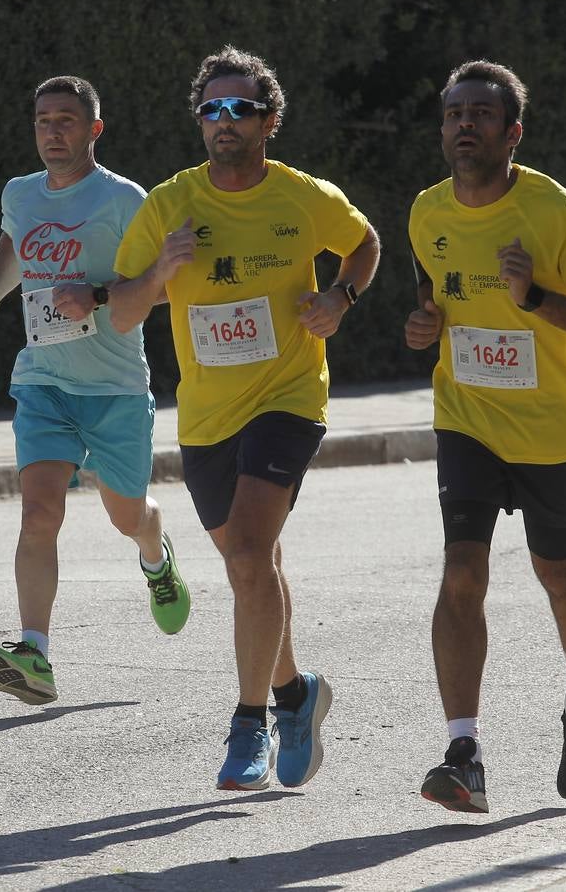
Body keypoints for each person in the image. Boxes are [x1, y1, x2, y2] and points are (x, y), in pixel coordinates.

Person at [108, 46, 380, 791]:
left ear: (269, 121)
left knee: (251, 556)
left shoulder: (302, 197)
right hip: (206, 418)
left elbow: (363, 245)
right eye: (211, 109)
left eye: (240, 108)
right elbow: (122, 307)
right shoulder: (168, 204)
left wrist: (339, 301)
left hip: (288, 398)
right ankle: (298, 695)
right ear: (200, 121)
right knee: (250, 566)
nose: (224, 121)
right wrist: (160, 272)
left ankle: (247, 724)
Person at [403, 59, 566, 813]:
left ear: (513, 132)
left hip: (551, 427)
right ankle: (463, 750)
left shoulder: (556, 212)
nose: (463, 124)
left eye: (480, 113)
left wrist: (535, 295)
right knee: (461, 572)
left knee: (556, 571)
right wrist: (423, 325)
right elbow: (432, 300)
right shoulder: (427, 213)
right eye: (452, 113)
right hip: (467, 418)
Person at [0, 75, 190, 708]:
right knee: (39, 512)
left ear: (94, 129)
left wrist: (100, 295)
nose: (52, 131)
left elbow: (164, 283)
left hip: (113, 387)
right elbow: (13, 240)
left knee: (126, 516)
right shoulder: (20, 194)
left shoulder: (126, 200)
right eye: (42, 121)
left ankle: (155, 551)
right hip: (43, 380)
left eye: (65, 120)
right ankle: (35, 652)